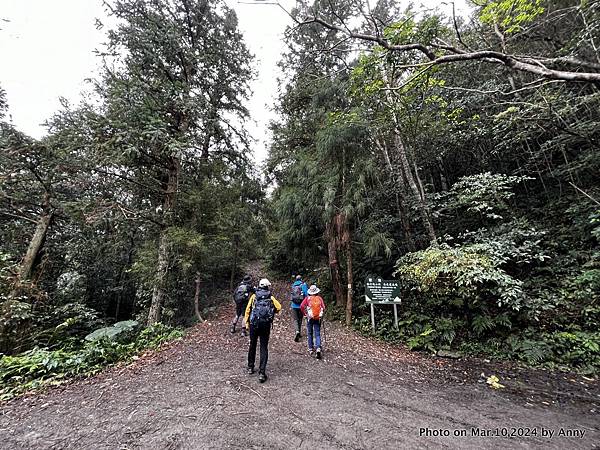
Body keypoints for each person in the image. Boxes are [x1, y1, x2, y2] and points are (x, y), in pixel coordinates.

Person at [244, 278, 281, 382]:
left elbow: (248, 310)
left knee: (253, 345)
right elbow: (279, 307)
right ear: (267, 286)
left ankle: (250, 367)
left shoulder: (254, 296)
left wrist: (247, 324)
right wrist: (272, 311)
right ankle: (262, 373)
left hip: (254, 324)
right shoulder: (271, 297)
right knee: (263, 347)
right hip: (265, 325)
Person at [300, 284, 326, 359]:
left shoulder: (307, 298)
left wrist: (305, 314)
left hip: (310, 318)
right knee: (317, 333)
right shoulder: (320, 298)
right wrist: (321, 314)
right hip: (318, 318)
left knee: (310, 333)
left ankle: (311, 348)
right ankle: (318, 348)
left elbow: (301, 306)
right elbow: (323, 307)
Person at [290, 275, 307, 342]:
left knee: (295, 319)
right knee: (300, 319)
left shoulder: (293, 285)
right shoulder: (303, 285)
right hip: (301, 305)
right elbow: (306, 294)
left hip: (294, 305)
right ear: (301, 279)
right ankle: (298, 332)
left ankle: (297, 331)